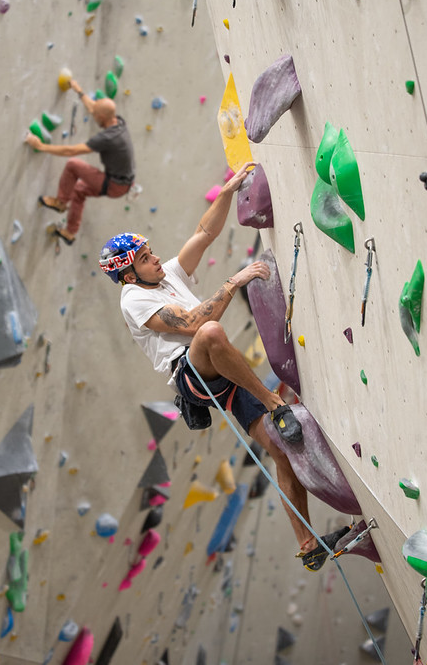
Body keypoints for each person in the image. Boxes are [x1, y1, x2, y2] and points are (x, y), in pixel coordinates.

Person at [99, 162, 349, 570]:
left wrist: (229, 189)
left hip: (222, 376)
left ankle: (308, 545)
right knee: (210, 332)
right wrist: (234, 281)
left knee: (279, 447)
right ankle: (274, 404)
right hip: (192, 375)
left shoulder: (166, 277)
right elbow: (194, 324)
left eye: (151, 252)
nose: (156, 258)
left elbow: (205, 232)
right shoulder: (134, 300)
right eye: (146, 258)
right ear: (128, 274)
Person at [24, 78, 135, 245]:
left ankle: (60, 202)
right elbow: (95, 109)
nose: (92, 114)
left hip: (114, 184)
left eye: (95, 115)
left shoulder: (108, 138)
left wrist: (41, 146)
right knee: (78, 191)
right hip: (123, 184)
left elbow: (71, 151)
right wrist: (79, 91)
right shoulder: (117, 122)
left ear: (102, 117)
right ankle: (69, 233)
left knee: (73, 165)